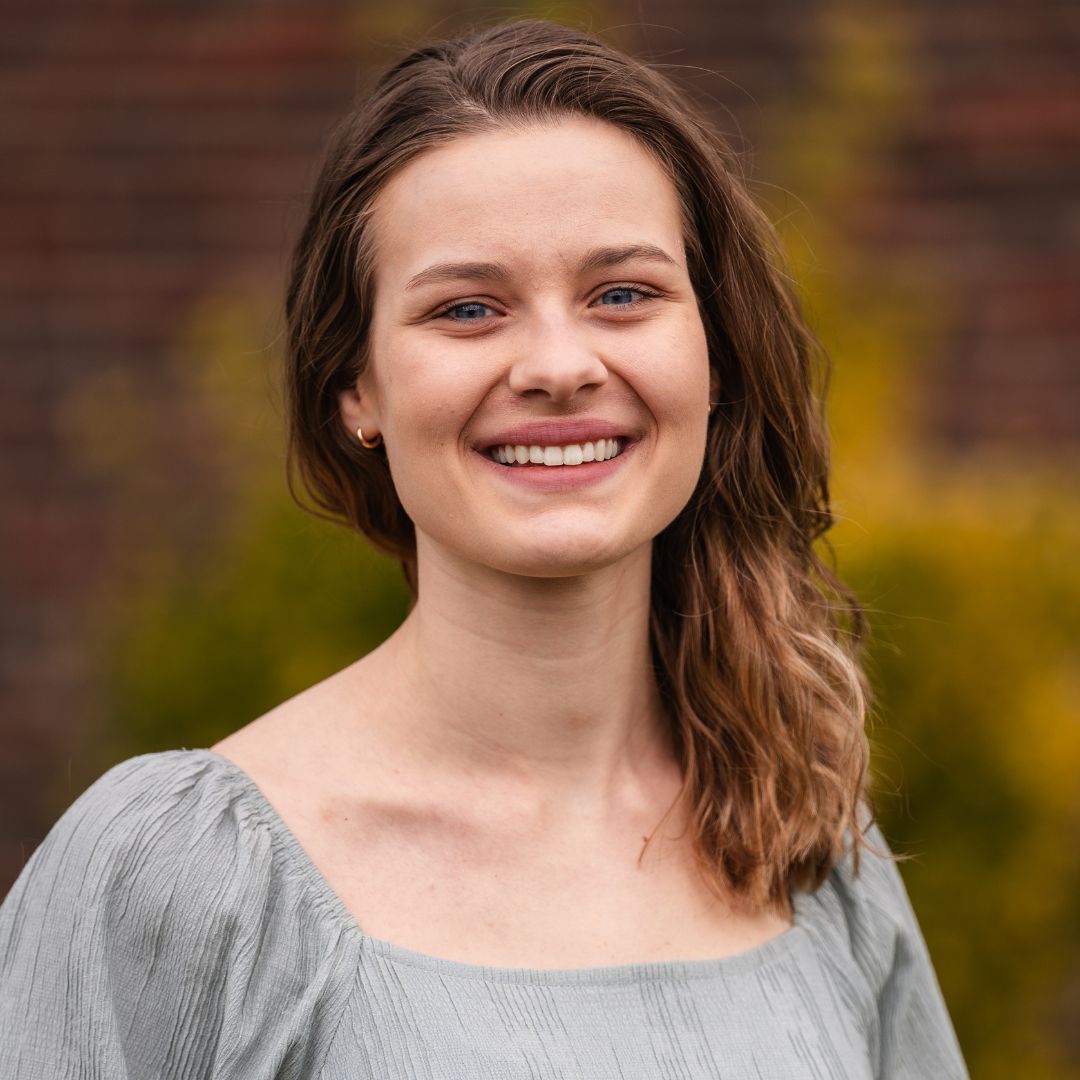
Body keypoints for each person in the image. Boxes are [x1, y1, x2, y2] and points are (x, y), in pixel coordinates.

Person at [0, 18, 968, 1079]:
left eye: (623, 294)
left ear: (715, 355)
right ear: (354, 390)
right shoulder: (179, 879)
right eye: (468, 308)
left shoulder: (812, 849)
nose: (559, 364)